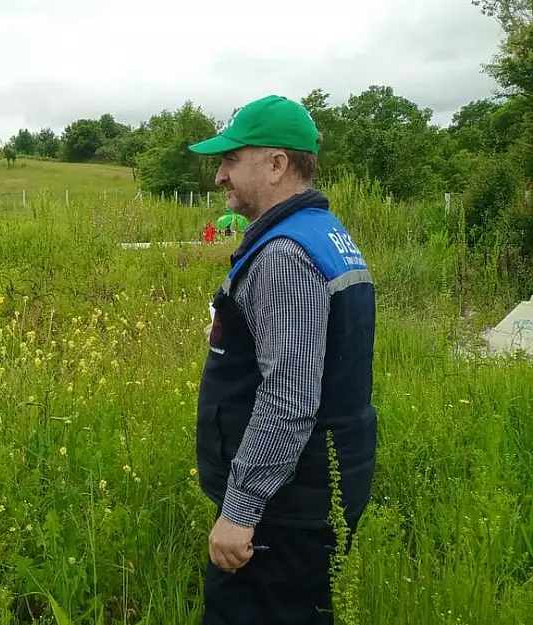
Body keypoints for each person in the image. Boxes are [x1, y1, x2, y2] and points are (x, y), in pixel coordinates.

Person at [188, 95, 377, 624]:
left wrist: (241, 511)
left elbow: (289, 398)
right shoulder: (327, 235)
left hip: (285, 507)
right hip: (322, 483)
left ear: (276, 164)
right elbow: (325, 350)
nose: (220, 176)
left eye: (230, 160)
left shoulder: (284, 254)